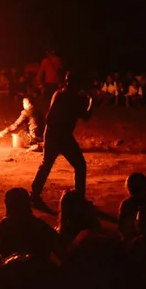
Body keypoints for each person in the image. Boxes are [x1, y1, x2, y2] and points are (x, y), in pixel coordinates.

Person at [30, 71, 93, 212]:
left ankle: (34, 195)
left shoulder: (59, 93)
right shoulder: (74, 98)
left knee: (46, 165)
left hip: (52, 132)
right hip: (62, 135)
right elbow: (85, 116)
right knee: (80, 165)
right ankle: (79, 199)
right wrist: (91, 101)